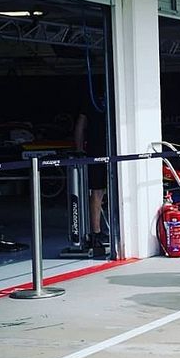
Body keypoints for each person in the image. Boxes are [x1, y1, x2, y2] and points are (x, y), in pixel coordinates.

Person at [73, 89, 109, 251]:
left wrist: (79, 149)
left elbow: (80, 126)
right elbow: (80, 126)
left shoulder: (92, 100)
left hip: (100, 149)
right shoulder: (93, 101)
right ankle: (96, 232)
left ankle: (97, 231)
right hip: (102, 149)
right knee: (98, 190)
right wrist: (79, 150)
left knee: (98, 191)